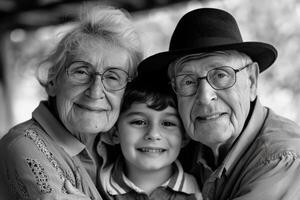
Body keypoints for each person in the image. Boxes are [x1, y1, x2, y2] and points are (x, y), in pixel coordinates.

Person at [137, 7, 300, 200]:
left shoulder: (283, 159)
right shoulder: (176, 142)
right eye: (188, 81)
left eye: (221, 75)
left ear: (251, 81)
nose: (205, 97)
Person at [0, 5, 142, 200]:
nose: (95, 91)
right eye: (81, 71)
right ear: (52, 81)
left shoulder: (122, 142)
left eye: (113, 77)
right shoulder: (23, 146)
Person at [100, 75, 202, 200]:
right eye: (138, 122)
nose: (153, 135)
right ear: (114, 133)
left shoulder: (201, 190)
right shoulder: (94, 186)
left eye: (168, 123)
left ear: (185, 136)